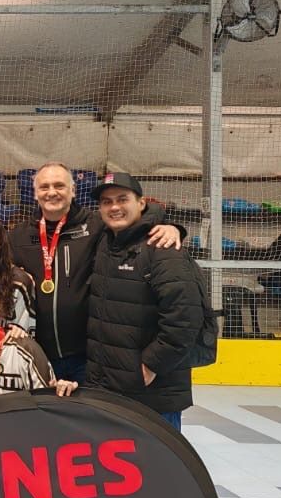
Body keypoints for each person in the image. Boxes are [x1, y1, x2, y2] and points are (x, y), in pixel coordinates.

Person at [6, 160, 182, 384]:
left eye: (59, 186)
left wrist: (170, 226)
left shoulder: (97, 225)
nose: (52, 192)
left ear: (73, 190)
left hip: (88, 356)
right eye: (44, 187)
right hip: (39, 353)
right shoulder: (17, 236)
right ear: (34, 193)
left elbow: (136, 215)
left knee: (87, 417)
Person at [83, 173, 202, 428]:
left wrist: (152, 364)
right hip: (111, 387)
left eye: (122, 199)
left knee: (158, 465)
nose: (114, 207)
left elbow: (185, 318)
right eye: (106, 202)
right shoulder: (104, 242)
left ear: (141, 203)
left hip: (152, 394)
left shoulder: (163, 247)